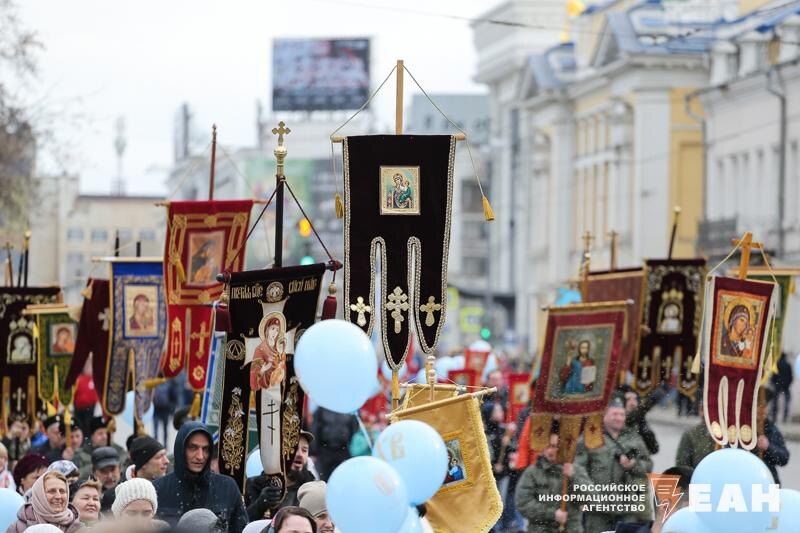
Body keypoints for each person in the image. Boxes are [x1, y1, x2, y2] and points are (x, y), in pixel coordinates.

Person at [574, 398, 653, 532]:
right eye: (615, 414)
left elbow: (648, 465)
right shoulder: (591, 438)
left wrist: (633, 465)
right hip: (598, 507)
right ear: (605, 416)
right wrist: (588, 491)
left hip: (628, 507)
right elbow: (577, 468)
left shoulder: (634, 438)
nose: (619, 418)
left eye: (622, 414)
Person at [153, 421, 247, 532]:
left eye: (205, 449)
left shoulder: (226, 487)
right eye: (193, 448)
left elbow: (241, 528)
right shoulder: (158, 489)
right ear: (181, 449)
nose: (200, 456)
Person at [515, 425, 592, 532]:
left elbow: (590, 498)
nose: (551, 451)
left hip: (571, 529)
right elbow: (523, 503)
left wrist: (573, 477)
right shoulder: (532, 472)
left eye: (556, 446)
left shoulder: (576, 470)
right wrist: (552, 514)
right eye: (548, 446)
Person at [246, 430, 315, 520]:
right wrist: (260, 504)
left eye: (304, 450)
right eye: (294, 449)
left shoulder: (311, 487)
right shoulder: (256, 484)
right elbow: (243, 523)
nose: (300, 454)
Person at [6, 470, 82, 533]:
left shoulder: (79, 528)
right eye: (52, 491)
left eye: (62, 491)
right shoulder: (17, 528)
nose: (58, 496)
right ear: (39, 495)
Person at [310, 407, 357, 481]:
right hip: (325, 450)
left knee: (344, 478)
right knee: (323, 480)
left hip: (343, 450)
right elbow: (314, 429)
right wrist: (313, 452)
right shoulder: (322, 409)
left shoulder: (348, 409)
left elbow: (353, 429)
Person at [618, 386, 660, 456]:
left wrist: (642, 425)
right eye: (628, 399)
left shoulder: (638, 420)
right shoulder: (611, 422)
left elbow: (654, 448)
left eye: (635, 399)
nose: (633, 403)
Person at [73, 360, 99, 436]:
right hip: (78, 408)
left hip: (90, 408)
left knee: (88, 426)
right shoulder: (79, 379)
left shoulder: (94, 380)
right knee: (79, 426)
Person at [771, 351, 793, 423]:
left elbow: (774, 375)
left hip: (778, 385)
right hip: (786, 385)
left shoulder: (777, 364)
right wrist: (788, 383)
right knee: (786, 401)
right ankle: (785, 417)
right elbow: (791, 377)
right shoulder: (788, 365)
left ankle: (774, 417)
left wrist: (774, 383)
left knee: (775, 402)